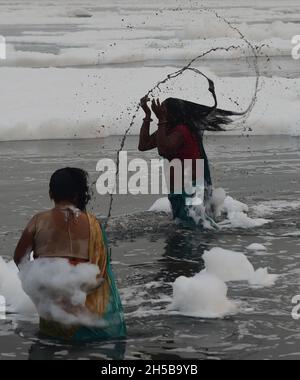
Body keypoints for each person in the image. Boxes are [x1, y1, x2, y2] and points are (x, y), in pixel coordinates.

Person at [14, 167, 126, 342]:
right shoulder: (92, 223)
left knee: (53, 345)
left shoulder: (37, 220)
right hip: (84, 309)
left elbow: (19, 258)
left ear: (51, 193)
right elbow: (101, 268)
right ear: (77, 195)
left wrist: (39, 283)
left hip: (54, 310)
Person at [138, 96, 235, 226]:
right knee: (183, 227)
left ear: (173, 113)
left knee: (194, 228)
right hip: (177, 190)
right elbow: (143, 145)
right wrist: (147, 116)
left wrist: (161, 120)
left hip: (190, 189)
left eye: (163, 109)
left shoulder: (182, 130)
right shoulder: (167, 129)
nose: (160, 111)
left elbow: (164, 149)